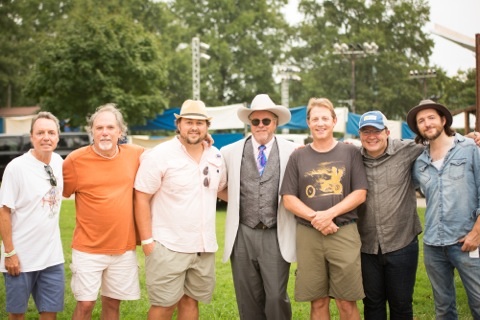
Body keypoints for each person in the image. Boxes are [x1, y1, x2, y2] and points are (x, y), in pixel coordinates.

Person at [134, 99, 227, 320]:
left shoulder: (215, 155)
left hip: (202, 248)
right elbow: (141, 197)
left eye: (200, 123)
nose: (194, 127)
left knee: (190, 302)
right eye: (189, 122)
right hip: (168, 246)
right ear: (179, 125)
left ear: (207, 127)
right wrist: (147, 242)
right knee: (163, 306)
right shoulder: (160, 154)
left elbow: (221, 190)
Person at [280, 97, 368, 320]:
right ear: (308, 122)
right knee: (318, 302)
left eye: (325, 118)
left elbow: (360, 193)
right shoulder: (298, 156)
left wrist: (329, 215)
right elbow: (288, 198)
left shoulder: (350, 153)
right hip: (309, 235)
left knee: (346, 301)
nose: (320, 123)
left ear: (334, 121)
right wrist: (316, 218)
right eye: (315, 119)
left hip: (344, 232)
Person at [63, 103, 144, 320]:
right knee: (86, 304)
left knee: (112, 304)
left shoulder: (136, 155)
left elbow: (168, 157)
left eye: (110, 127)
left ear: (120, 131)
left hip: (123, 248)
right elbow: (54, 192)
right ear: (92, 131)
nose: (105, 132)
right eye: (99, 128)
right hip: (88, 248)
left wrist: (201, 141)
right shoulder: (75, 160)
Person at [220, 94, 297, 319]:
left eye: (266, 121)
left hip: (275, 231)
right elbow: (218, 186)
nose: (261, 125)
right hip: (242, 232)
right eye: (256, 121)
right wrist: (239, 203)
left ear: (275, 123)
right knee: (247, 296)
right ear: (250, 123)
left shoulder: (292, 150)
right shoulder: (230, 152)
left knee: (275, 296)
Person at [407, 99, 480, 319]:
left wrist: (476, 233)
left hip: (467, 240)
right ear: (417, 128)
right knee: (443, 309)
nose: (427, 123)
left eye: (431, 118)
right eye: (421, 121)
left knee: (478, 302)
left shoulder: (469, 149)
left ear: (443, 120)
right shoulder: (419, 163)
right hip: (433, 246)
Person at [356, 111, 423, 319]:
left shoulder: (407, 150)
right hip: (366, 246)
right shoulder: (352, 158)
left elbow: (440, 142)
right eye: (366, 131)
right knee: (372, 304)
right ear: (360, 135)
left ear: (387, 132)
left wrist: (468, 138)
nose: (371, 136)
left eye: (376, 131)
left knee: (401, 305)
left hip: (401, 243)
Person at [0, 112, 65, 319]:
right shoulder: (16, 168)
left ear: (58, 137)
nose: (46, 137)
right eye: (40, 132)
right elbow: (4, 211)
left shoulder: (58, 162)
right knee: (17, 315)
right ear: (31, 137)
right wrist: (9, 253)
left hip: (52, 258)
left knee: (50, 314)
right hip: (21, 259)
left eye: (51, 132)